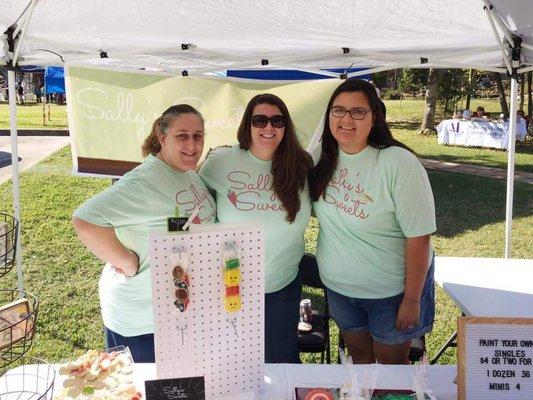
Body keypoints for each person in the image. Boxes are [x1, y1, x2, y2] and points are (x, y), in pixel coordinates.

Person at [72, 105, 217, 362]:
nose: (192, 145)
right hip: (143, 319)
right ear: (162, 138)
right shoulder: (143, 182)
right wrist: (126, 261)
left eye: (198, 136)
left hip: (178, 310)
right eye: (182, 136)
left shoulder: (187, 174)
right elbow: (86, 219)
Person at [310, 79, 436, 365]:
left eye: (358, 112)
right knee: (360, 362)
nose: (346, 119)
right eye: (338, 110)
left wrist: (412, 300)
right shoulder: (321, 157)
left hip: (390, 295)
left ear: (375, 116)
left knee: (392, 373)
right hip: (340, 289)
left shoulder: (398, 163)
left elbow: (419, 237)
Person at [199, 93, 313, 363]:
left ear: (286, 126)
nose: (268, 127)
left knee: (280, 359)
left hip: (281, 287)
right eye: (259, 120)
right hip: (230, 286)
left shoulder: (302, 165)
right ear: (247, 125)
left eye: (277, 121)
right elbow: (193, 200)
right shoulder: (221, 161)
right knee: (232, 362)